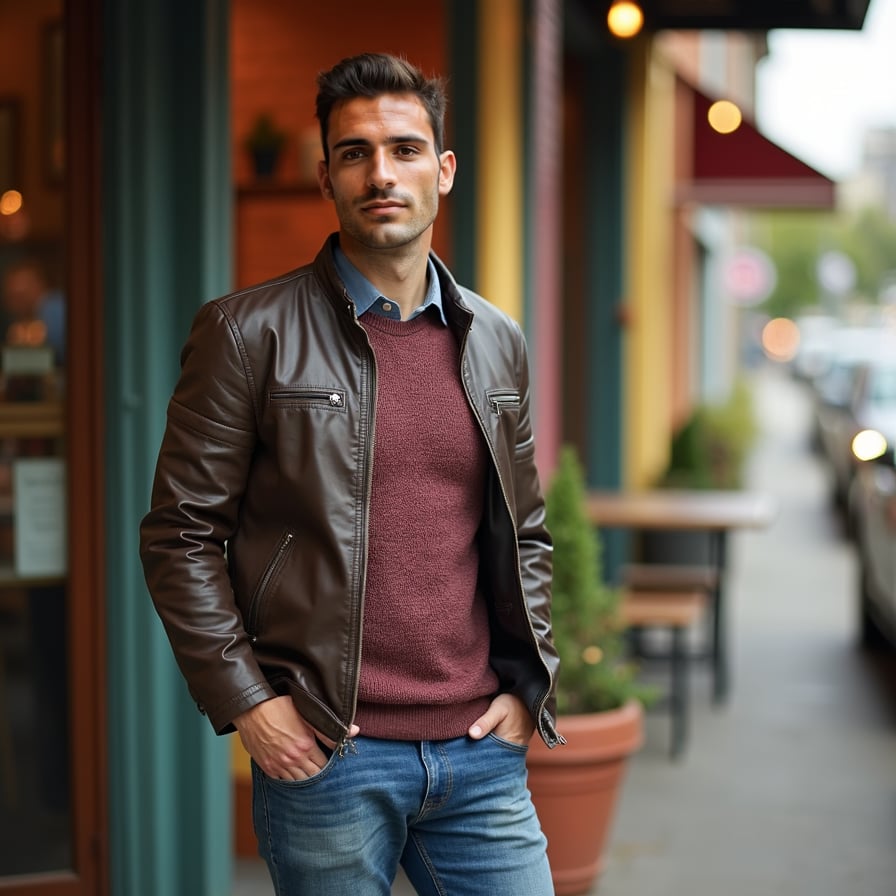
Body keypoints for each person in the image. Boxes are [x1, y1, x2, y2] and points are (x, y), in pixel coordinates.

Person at [140, 52, 562, 896]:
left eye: (405, 150)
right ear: (324, 174)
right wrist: (252, 704)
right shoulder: (245, 334)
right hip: (330, 751)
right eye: (354, 152)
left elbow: (525, 531)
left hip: (480, 753)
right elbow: (180, 535)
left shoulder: (496, 338)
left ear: (443, 171)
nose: (381, 173)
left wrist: (530, 687)